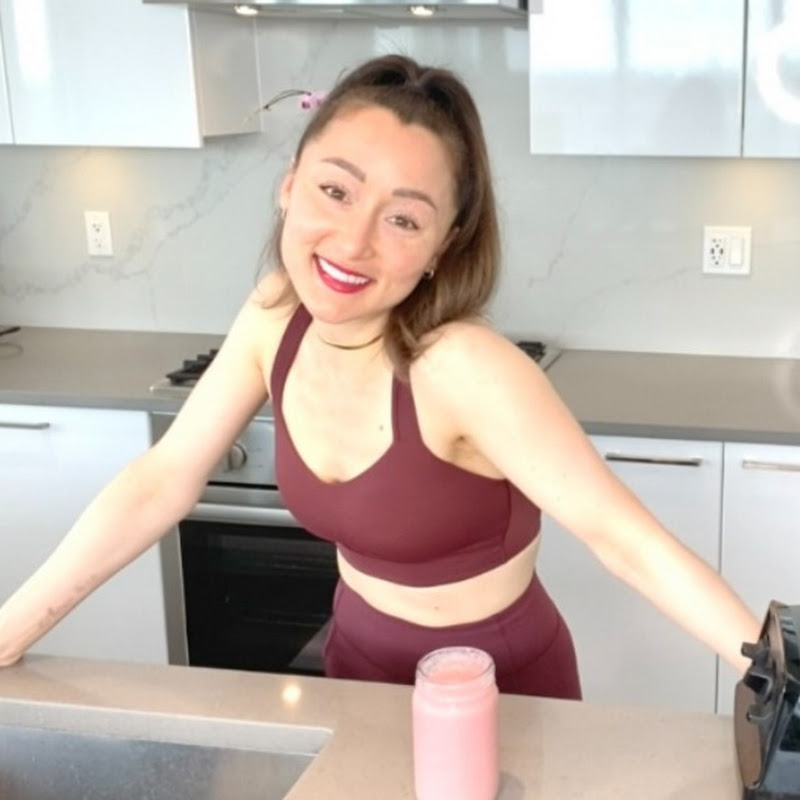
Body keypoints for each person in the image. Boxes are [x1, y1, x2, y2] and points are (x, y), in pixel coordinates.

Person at [0, 54, 759, 697]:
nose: (353, 241)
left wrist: (779, 679)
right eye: (336, 190)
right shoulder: (274, 315)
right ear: (290, 184)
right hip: (355, 669)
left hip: (497, 691)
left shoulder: (463, 366)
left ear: (442, 245)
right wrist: (10, 631)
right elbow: (162, 479)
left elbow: (625, 540)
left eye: (403, 219)